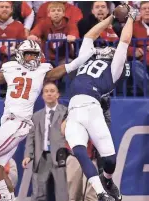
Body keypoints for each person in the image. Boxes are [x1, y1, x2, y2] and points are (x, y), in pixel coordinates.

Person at [0, 17, 113, 199]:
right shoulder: (10, 67)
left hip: (19, 121)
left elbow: (66, 68)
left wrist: (87, 55)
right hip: (9, 120)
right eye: (29, 54)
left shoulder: (42, 69)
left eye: (34, 54)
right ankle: (9, 197)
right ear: (20, 55)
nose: (32, 57)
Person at [64, 5, 137, 201]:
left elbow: (125, 40)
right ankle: (101, 193)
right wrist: (111, 17)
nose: (106, 49)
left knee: (110, 161)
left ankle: (107, 180)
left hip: (92, 107)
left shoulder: (114, 69)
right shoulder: (87, 56)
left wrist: (131, 17)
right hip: (73, 109)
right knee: (79, 152)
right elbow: (89, 36)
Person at [22, 82, 69, 201]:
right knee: (38, 194)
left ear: (58, 94)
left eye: (52, 91)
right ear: (42, 95)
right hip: (41, 157)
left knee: (63, 194)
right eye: (46, 91)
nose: (49, 94)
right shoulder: (36, 116)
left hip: (61, 158)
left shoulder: (66, 113)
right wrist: (28, 155)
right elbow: (31, 137)